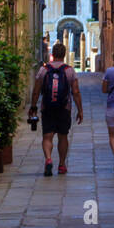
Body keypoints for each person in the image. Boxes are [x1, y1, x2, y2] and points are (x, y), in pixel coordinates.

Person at [29, 42, 83, 176]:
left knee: (47, 136)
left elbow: (36, 91)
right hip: (64, 108)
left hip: (47, 108)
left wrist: (33, 106)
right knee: (63, 136)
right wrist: (80, 110)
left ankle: (48, 159)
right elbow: (75, 92)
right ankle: (62, 165)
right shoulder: (69, 70)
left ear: (52, 54)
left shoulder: (44, 70)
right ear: (64, 55)